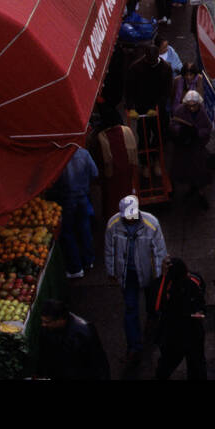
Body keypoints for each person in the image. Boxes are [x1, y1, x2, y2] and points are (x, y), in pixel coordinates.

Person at [104, 195, 168, 360]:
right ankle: (134, 346)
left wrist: (160, 275)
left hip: (148, 273)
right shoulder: (113, 225)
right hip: (127, 275)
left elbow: (159, 251)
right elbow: (109, 250)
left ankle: (152, 319)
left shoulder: (151, 224)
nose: (130, 219)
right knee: (130, 308)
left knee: (151, 302)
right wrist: (111, 271)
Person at [153, 257, 207, 380]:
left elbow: (157, 306)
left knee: (165, 367)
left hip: (174, 335)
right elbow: (202, 309)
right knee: (197, 369)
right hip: (193, 334)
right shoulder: (195, 281)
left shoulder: (167, 287)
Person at [52, 141, 98, 279]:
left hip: (66, 200)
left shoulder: (58, 157)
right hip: (83, 196)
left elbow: (53, 181)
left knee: (68, 233)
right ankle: (88, 260)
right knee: (84, 228)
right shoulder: (83, 153)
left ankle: (75, 268)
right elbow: (94, 173)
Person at [36, 300, 110, 380]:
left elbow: (99, 364)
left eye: (47, 322)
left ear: (60, 319)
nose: (43, 325)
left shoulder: (84, 333)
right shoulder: (48, 329)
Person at [169, 89, 214, 209]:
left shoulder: (203, 112)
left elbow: (207, 128)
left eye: (194, 106)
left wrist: (197, 133)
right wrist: (181, 131)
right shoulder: (180, 111)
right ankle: (191, 187)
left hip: (197, 147)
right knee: (186, 170)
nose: (192, 108)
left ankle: (201, 193)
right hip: (184, 147)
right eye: (190, 106)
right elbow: (173, 125)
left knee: (200, 171)